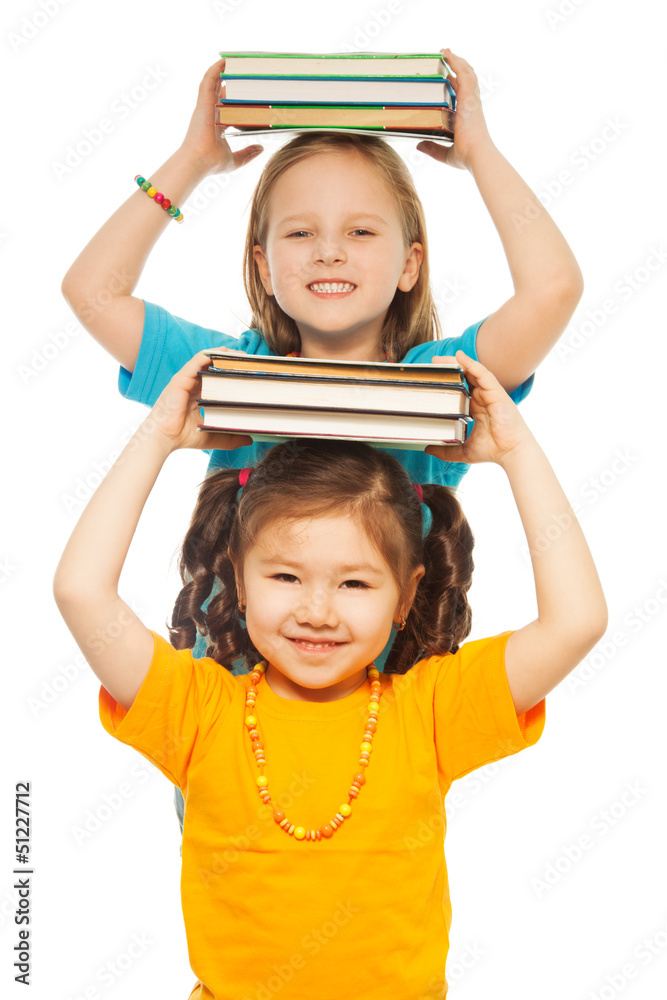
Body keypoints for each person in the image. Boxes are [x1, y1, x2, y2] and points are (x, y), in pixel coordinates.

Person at [53, 350, 607, 999]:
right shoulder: (197, 709)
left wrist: (517, 452)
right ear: (237, 577)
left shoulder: (428, 711)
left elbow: (576, 622)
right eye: (285, 576)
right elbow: (81, 592)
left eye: (353, 583)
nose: (315, 612)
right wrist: (159, 437)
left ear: (405, 597)